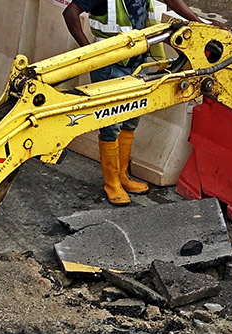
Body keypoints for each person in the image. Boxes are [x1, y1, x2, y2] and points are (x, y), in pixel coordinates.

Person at [62, 0, 208, 206]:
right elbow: (70, 13)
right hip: (109, 67)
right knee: (110, 124)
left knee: (131, 120)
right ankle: (111, 182)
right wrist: (88, 53)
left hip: (137, 64)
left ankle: (122, 176)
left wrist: (198, 22)